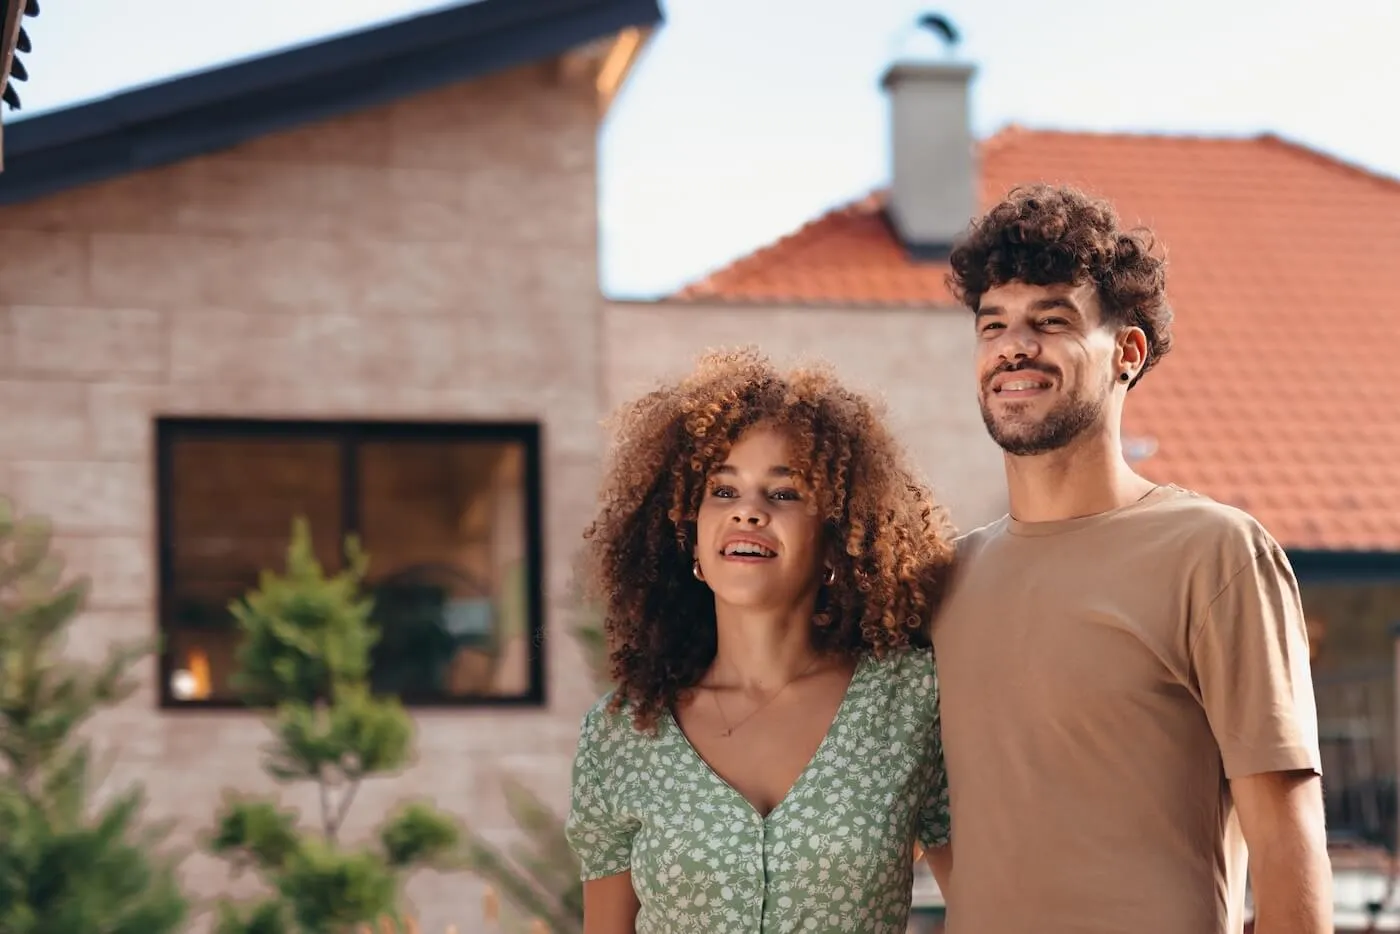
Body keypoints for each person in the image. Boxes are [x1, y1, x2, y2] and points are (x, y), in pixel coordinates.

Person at [926, 184, 1331, 933]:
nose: (1015, 346)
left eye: (1051, 322)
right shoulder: (943, 582)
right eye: (994, 326)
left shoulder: (1214, 553)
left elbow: (1286, 838)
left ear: (1128, 353)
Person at [565, 348, 956, 934]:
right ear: (689, 539)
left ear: (834, 540)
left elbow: (986, 906)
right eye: (722, 492)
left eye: (784, 493)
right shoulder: (622, 733)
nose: (748, 513)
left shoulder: (912, 703)